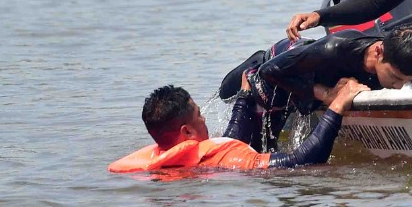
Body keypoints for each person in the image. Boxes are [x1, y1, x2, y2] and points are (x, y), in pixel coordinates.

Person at [217, 26, 412, 151]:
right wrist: (325, 94)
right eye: (395, 78)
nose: (398, 87)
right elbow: (269, 70)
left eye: (406, 81)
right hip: (271, 71)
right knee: (257, 153)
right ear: (379, 52)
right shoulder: (337, 48)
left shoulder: (400, 60)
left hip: (304, 78)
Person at [108, 74, 368, 173]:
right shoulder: (226, 164)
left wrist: (245, 98)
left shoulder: (165, 160)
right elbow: (303, 159)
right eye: (198, 114)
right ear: (186, 131)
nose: (204, 117)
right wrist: (337, 107)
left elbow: (229, 143)